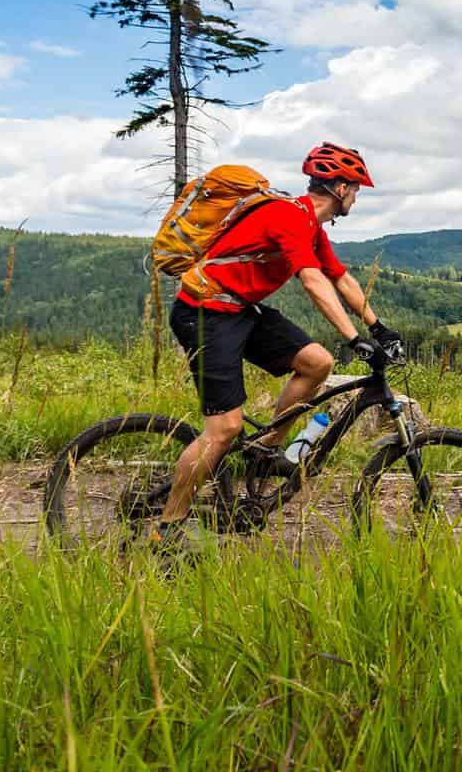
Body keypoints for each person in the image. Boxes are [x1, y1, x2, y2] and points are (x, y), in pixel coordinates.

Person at [150, 142, 402, 544]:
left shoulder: (310, 225)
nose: (356, 197)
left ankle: (264, 451)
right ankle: (167, 529)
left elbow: (339, 278)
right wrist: (354, 338)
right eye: (355, 188)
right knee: (224, 428)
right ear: (340, 188)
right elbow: (313, 281)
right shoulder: (288, 216)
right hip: (204, 312)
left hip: (239, 308)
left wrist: (379, 327)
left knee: (317, 363)